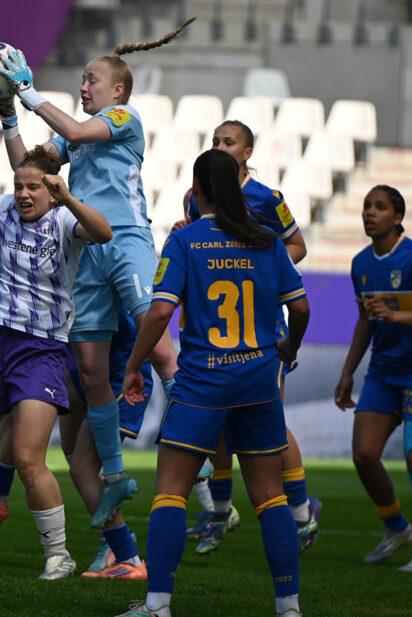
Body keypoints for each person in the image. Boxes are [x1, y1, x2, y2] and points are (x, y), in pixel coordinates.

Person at [0, 22, 194, 528]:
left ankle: (200, 448)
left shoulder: (123, 118)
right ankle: (116, 475)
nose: (84, 88)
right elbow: (28, 171)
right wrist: (9, 115)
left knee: (161, 349)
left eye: (91, 80)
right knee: (89, 369)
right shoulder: (72, 140)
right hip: (85, 248)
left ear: (117, 89)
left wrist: (29, 91)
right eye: (82, 80)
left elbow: (80, 131)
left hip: (126, 239)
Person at [113, 149, 311, 617]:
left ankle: (158, 605)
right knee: (270, 496)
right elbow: (301, 308)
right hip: (258, 382)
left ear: (197, 189)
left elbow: (160, 311)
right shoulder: (267, 241)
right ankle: (289, 609)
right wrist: (288, 346)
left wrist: (134, 365)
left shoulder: (185, 241)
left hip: (202, 383)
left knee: (171, 492)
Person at [0, 146, 113, 579]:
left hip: (41, 351)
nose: (23, 194)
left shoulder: (66, 220)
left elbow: (104, 232)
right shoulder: (3, 209)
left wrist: (68, 198)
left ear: (52, 190)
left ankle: (58, 554)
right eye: (19, 186)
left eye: (34, 187)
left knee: (28, 458)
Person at [177, 120, 320, 555]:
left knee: (271, 423)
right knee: (219, 429)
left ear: (248, 152)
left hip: (262, 330)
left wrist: (263, 270)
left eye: (229, 141)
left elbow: (296, 246)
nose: (221, 146)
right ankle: (221, 513)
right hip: (213, 332)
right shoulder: (194, 197)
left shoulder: (267, 199)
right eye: (215, 141)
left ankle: (302, 515)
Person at [0, 302, 154, 580]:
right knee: (23, 402)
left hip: (118, 383)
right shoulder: (65, 285)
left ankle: (127, 555)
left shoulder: (108, 284)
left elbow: (152, 322)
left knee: (83, 468)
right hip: (80, 374)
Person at [334, 185, 412, 573]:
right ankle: (397, 527)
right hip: (382, 373)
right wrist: (348, 372)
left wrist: (396, 316)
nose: (370, 212)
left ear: (398, 218)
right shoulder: (361, 264)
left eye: (379, 207)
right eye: (367, 206)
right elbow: (365, 321)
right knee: (364, 454)